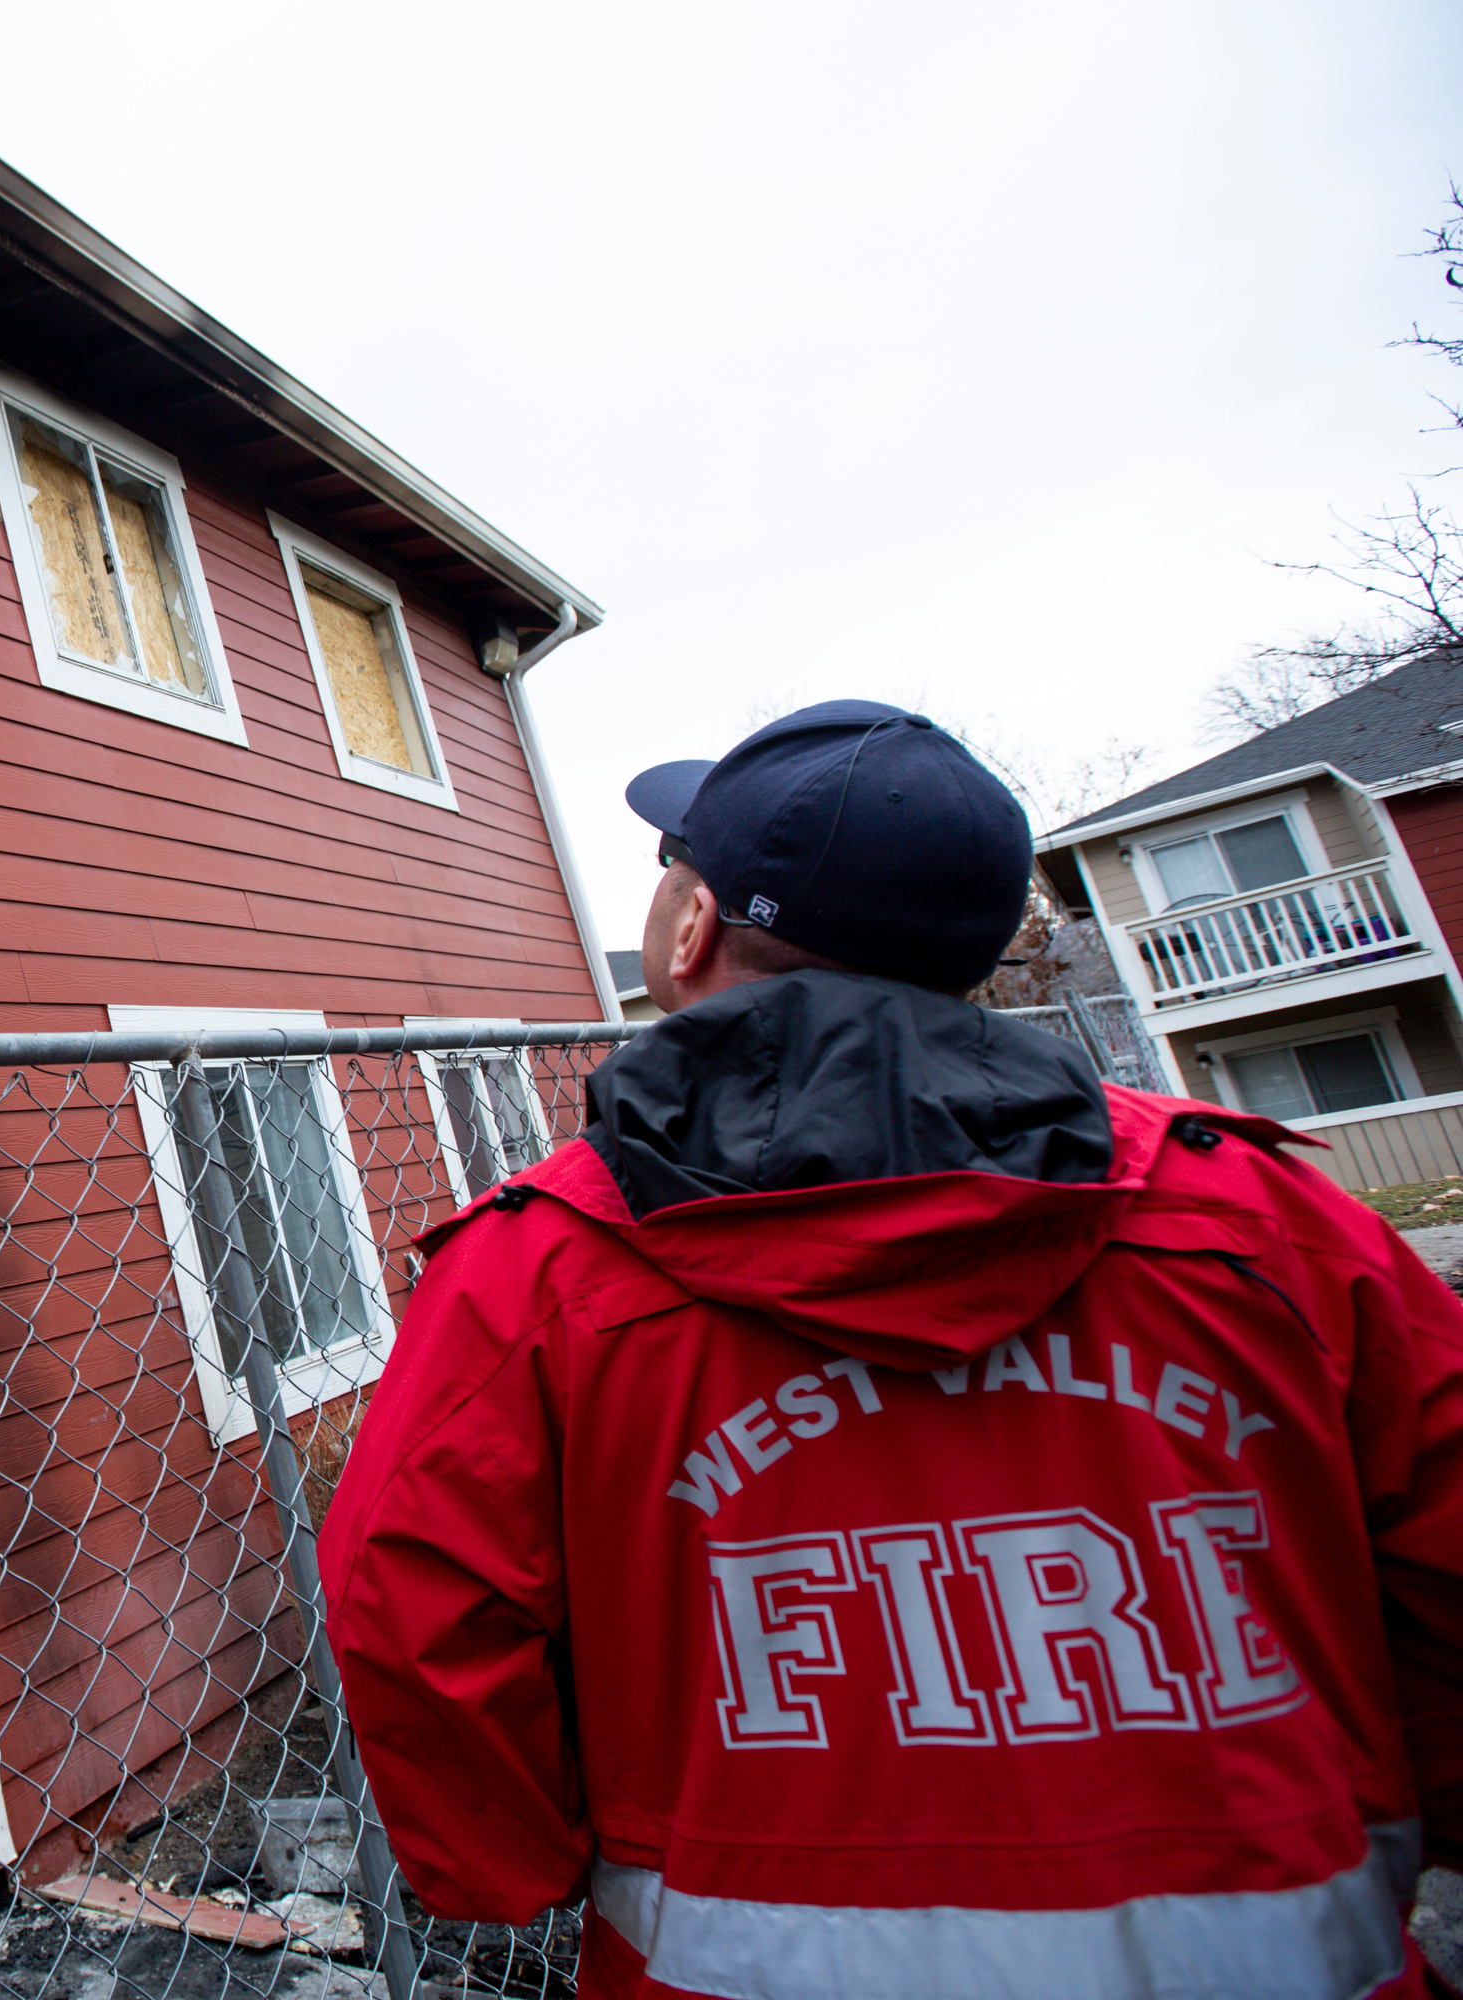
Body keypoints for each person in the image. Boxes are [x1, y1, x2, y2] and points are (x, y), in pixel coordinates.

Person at [320, 700, 1463, 1999]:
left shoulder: (535, 1271)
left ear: (691, 930)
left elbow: (410, 1612)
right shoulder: (1263, 1223)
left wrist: (514, 1862)